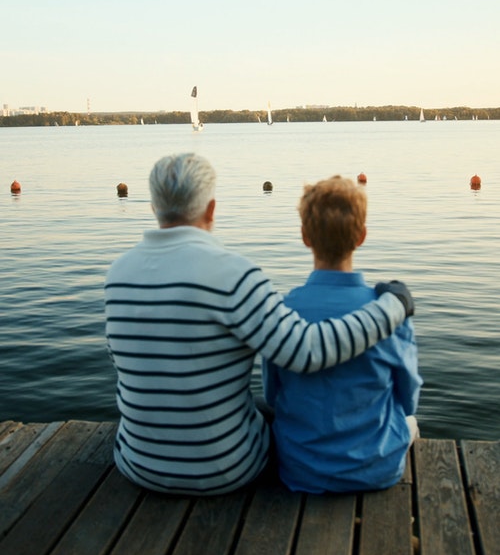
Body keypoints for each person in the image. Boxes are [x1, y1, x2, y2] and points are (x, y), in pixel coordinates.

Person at [104, 153, 414, 496]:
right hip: (225, 470)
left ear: (153, 207)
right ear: (211, 209)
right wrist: (393, 306)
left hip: (137, 463)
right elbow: (308, 351)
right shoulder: (233, 275)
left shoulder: (117, 274)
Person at [263, 175, 422, 493]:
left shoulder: (282, 311)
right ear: (361, 236)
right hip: (376, 470)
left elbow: (271, 394)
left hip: (300, 470)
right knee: (412, 423)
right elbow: (408, 401)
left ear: (305, 236)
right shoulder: (389, 312)